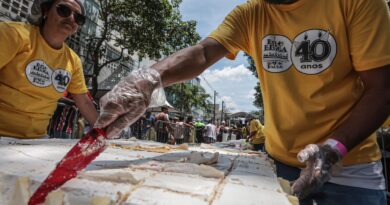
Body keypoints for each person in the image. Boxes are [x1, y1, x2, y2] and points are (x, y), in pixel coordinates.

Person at [95, 0, 390, 204]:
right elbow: (202, 52)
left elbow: (382, 89)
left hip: (351, 168)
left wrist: (332, 149)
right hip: (279, 166)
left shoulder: (356, 3)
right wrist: (149, 78)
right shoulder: (250, 14)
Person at [0, 0, 98, 139]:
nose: (71, 18)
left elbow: (84, 102)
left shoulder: (73, 60)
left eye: (78, 18)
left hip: (37, 140)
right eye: (64, 10)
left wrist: (105, 131)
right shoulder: (14, 33)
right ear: (45, 11)